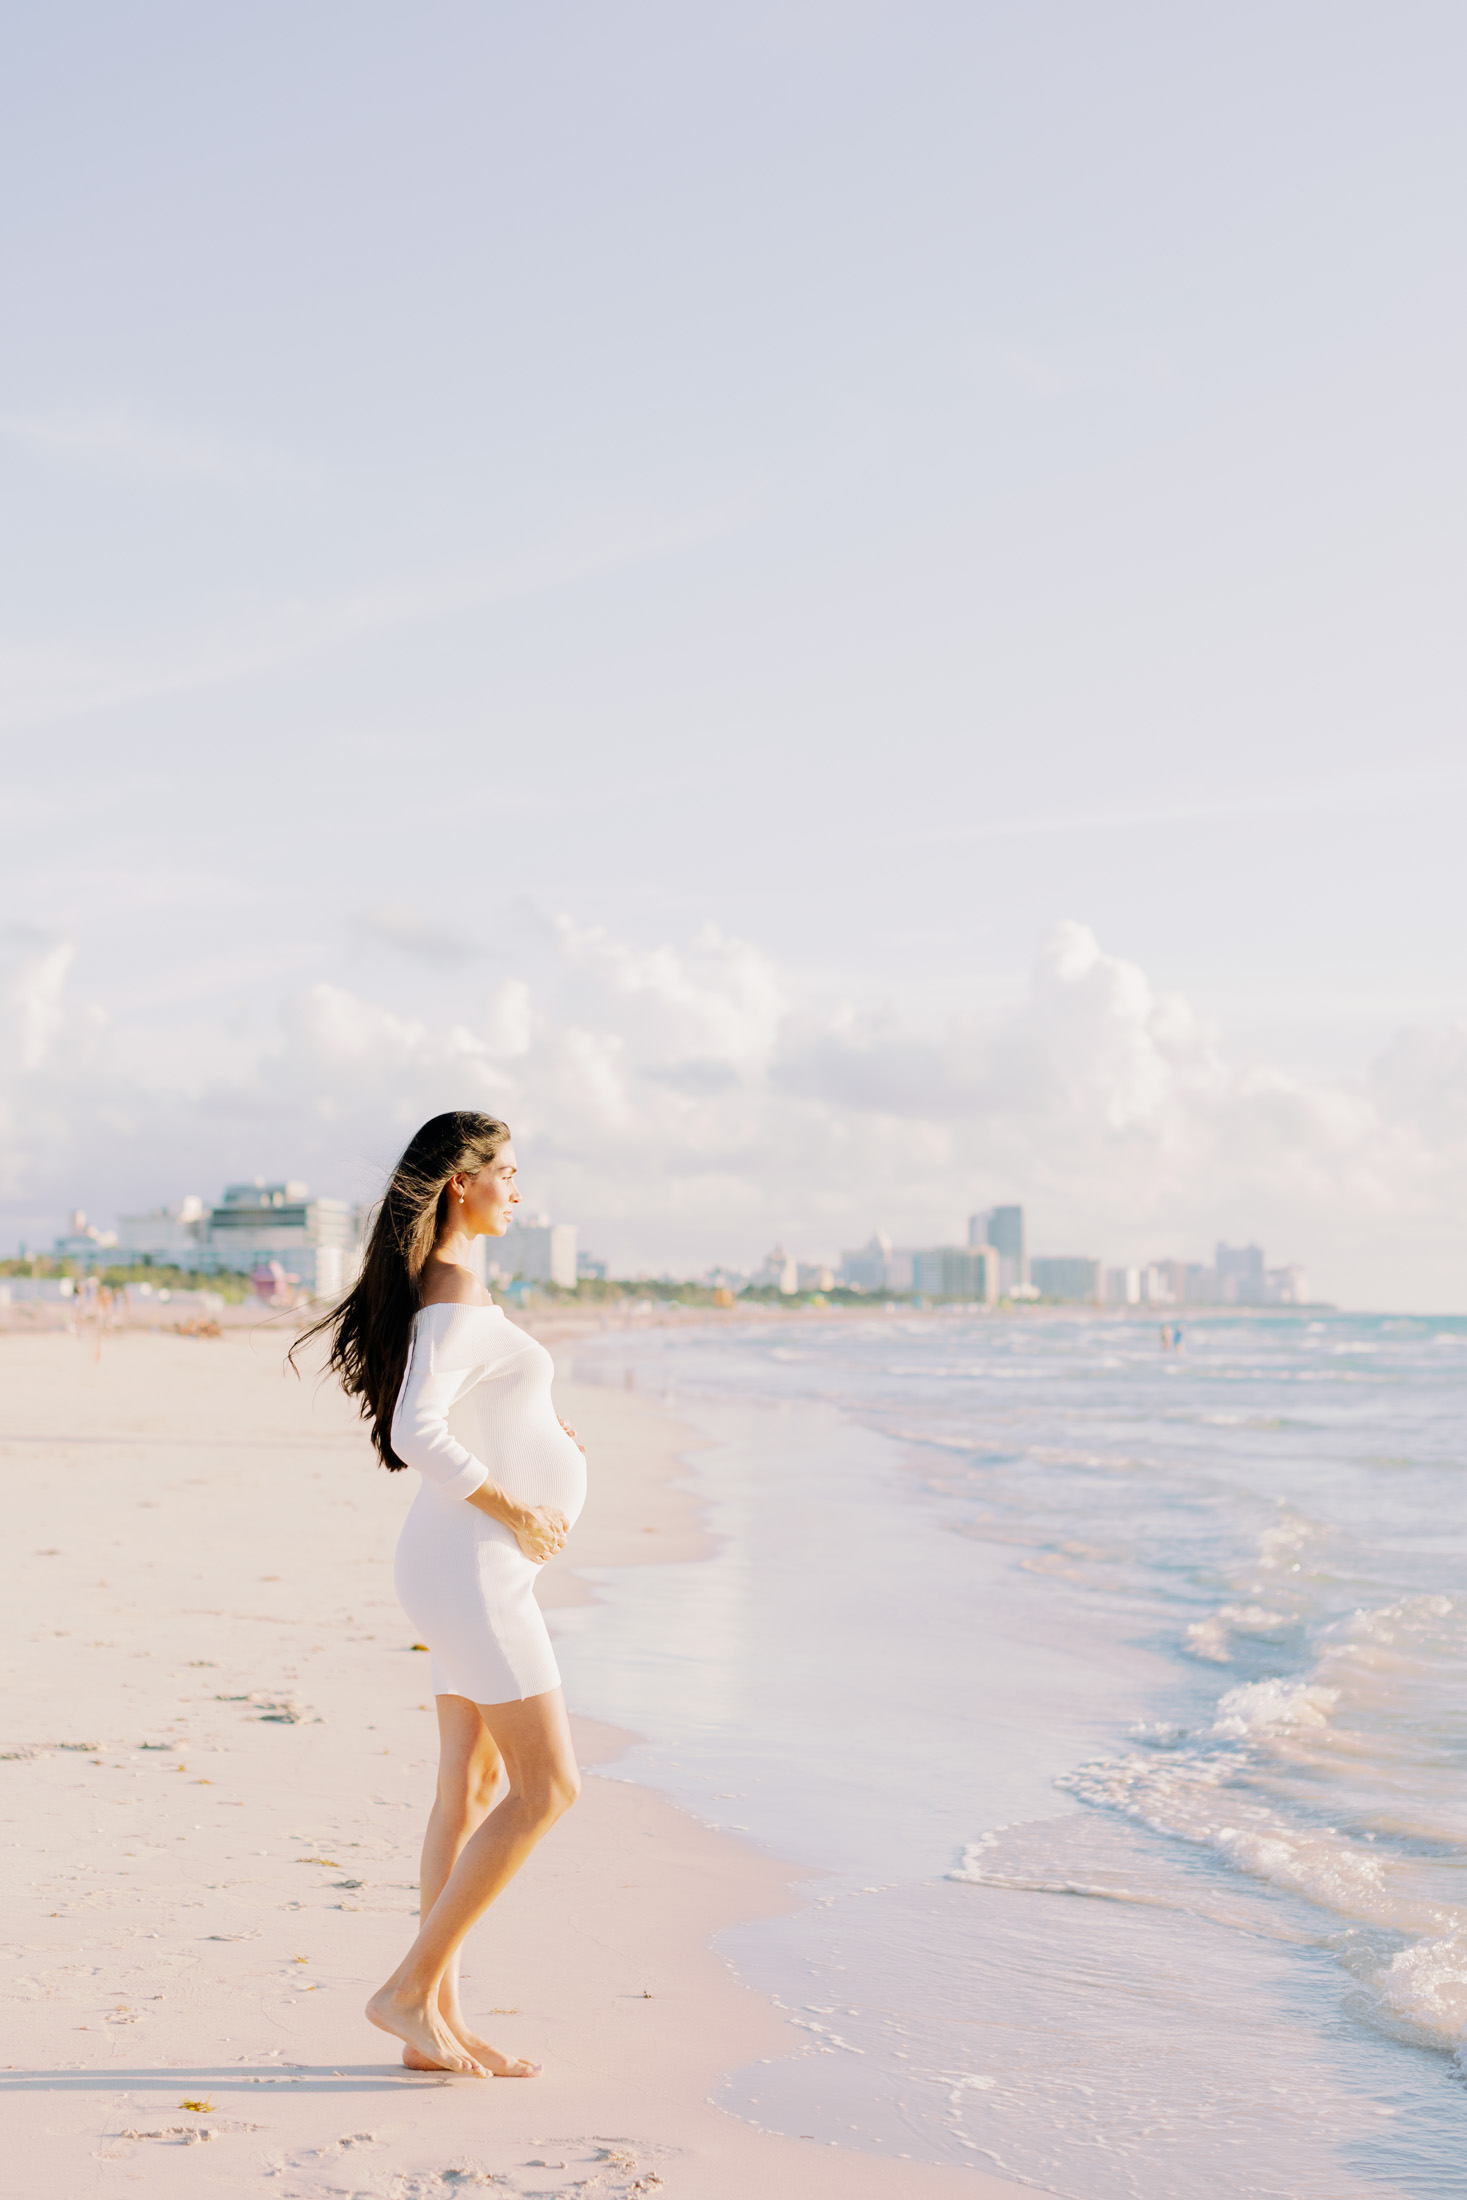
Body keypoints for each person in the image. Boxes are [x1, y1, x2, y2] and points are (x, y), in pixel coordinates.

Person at [294, 1111, 587, 2077]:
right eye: (505, 1171)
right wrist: (519, 1508)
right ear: (460, 1184)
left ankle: (437, 2028)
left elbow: (463, 1408)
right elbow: (419, 1430)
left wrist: (544, 1432)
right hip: (475, 1566)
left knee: (471, 1788)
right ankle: (409, 1992)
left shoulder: (452, 1289)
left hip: (457, 1562)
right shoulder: (454, 1290)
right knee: (548, 1789)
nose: (517, 1187)